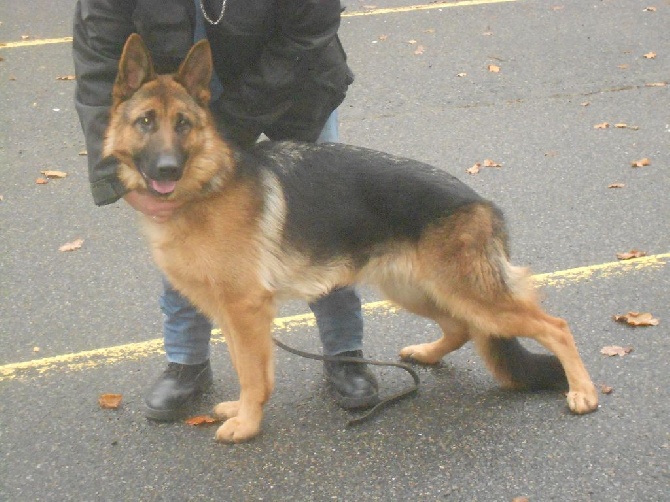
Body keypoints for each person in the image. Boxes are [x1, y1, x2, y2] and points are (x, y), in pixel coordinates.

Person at [72, 0, 379, 421]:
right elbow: (97, 58)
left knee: (324, 216)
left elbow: (307, 30)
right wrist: (114, 174)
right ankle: (186, 362)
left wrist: (219, 134)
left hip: (293, 77)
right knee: (180, 225)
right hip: (171, 92)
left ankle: (344, 352)